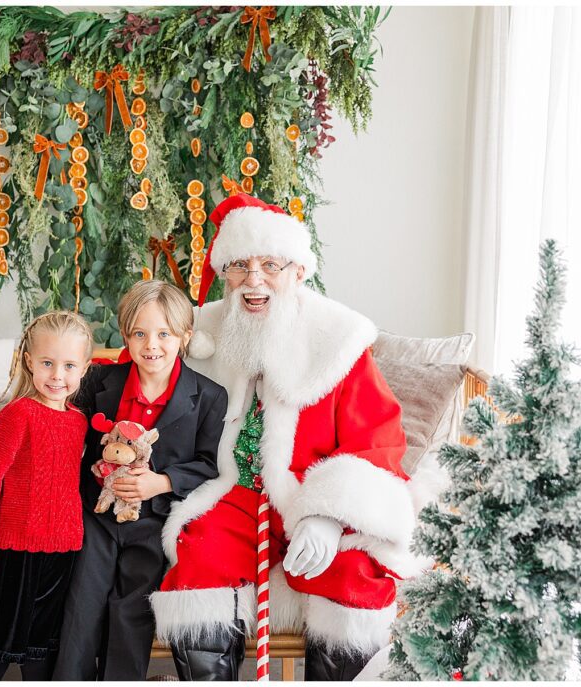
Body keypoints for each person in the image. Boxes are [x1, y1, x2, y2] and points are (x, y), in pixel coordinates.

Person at [150, 193, 433, 680]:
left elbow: (378, 443)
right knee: (200, 560)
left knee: (354, 576)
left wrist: (330, 516)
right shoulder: (199, 332)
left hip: (313, 498)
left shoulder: (338, 339)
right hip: (233, 495)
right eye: (240, 265)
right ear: (224, 272)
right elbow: (139, 378)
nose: (254, 279)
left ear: (298, 271)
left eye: (270, 265)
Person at [51, 279, 228, 681]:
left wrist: (161, 482)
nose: (152, 345)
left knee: (131, 610)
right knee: (81, 605)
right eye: (140, 334)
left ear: (185, 336)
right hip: (96, 516)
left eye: (164, 334)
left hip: (154, 522)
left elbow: (208, 464)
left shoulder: (209, 396)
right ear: (126, 336)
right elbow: (55, 410)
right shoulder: (99, 382)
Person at [0, 311, 93, 681]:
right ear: (29, 361)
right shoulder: (16, 416)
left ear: (85, 369)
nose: (57, 375)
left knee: (40, 654)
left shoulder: (80, 421)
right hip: (14, 553)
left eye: (69, 366)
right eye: (47, 363)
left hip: (62, 554)